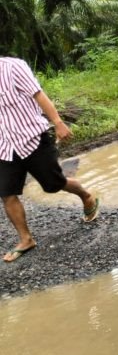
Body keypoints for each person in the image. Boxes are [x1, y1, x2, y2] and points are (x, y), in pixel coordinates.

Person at [1, 56, 100, 263]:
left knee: (53, 185)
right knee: (7, 194)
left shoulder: (13, 67)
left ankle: (86, 196)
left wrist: (58, 122)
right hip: (4, 147)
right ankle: (26, 239)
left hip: (33, 138)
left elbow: (39, 95)